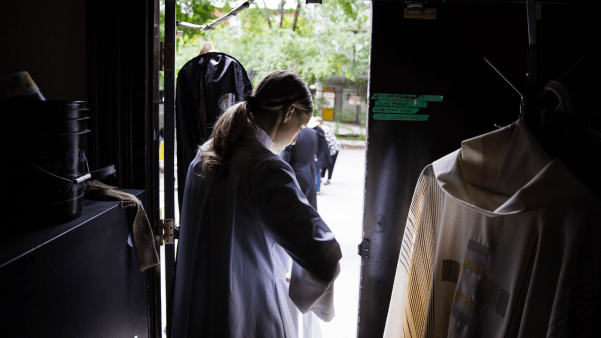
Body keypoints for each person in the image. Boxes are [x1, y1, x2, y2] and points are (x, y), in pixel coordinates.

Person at [170, 70, 342, 338]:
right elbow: (323, 254)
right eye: (300, 125)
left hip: (200, 309)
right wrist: (302, 289)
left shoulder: (205, 156)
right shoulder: (265, 168)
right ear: (288, 112)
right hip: (252, 312)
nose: (296, 138)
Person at [279, 126, 319, 210]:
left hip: (295, 179)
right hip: (310, 176)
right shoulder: (313, 133)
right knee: (309, 210)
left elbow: (284, 160)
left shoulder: (290, 133)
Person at [308, 117, 331, 194]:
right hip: (321, 155)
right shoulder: (319, 131)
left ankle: (317, 188)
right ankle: (317, 188)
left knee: (316, 171)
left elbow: (315, 147)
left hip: (317, 155)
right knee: (317, 171)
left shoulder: (315, 133)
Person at [318, 118, 341, 185]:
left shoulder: (324, 129)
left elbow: (327, 142)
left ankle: (328, 179)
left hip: (334, 148)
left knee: (330, 163)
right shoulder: (320, 129)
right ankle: (322, 177)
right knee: (324, 163)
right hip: (328, 148)